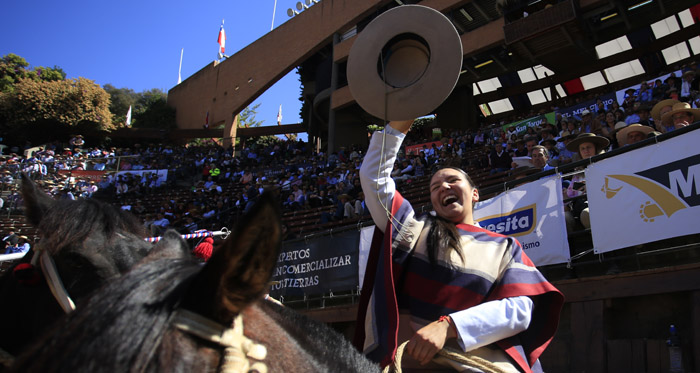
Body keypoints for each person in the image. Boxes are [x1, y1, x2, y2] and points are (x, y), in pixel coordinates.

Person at [356, 120, 563, 372]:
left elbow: (520, 309)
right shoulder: (412, 229)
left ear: (474, 194)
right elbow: (373, 179)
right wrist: (399, 124)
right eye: (435, 187)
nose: (443, 186)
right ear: (433, 201)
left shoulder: (505, 246)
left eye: (453, 180)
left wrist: (449, 326)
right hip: (411, 364)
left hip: (484, 365)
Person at [564, 133, 609, 229]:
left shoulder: (606, 165)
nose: (586, 151)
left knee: (586, 214)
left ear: (596, 149)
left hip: (603, 204)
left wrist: (587, 186)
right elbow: (570, 193)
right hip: (580, 206)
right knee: (564, 217)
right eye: (582, 149)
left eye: (589, 147)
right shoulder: (578, 171)